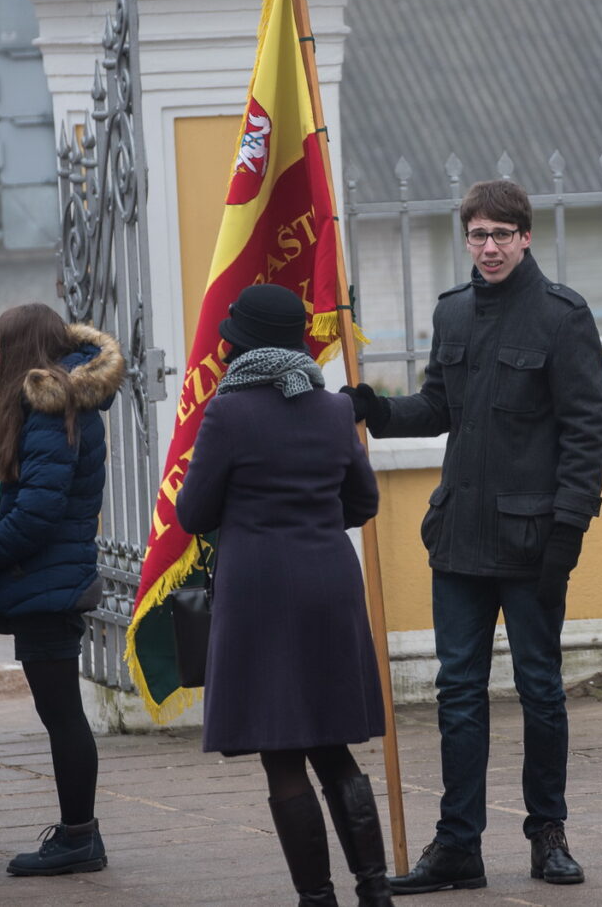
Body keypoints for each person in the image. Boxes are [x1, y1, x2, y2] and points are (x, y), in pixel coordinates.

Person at [343, 179, 602, 892]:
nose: (489, 248)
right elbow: (438, 406)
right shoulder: (453, 313)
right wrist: (374, 409)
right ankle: (458, 845)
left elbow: (587, 433)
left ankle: (547, 834)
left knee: (540, 690)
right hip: (458, 539)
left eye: (502, 234)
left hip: (532, 544)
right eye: (477, 235)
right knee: (456, 693)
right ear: (466, 239)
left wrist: (568, 533)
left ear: (525, 237)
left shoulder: (562, 317)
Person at [175, 283, 389, 907]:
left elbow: (192, 512)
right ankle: (376, 893)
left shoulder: (230, 410)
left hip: (259, 591)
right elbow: (364, 501)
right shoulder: (331, 409)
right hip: (329, 582)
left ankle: (317, 899)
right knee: (332, 743)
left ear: (243, 343)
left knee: (284, 751)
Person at [0, 304, 123, 877]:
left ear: (22, 348)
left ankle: (79, 838)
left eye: (0, 346)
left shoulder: (52, 411)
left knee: (63, 714)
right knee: (58, 712)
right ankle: (77, 834)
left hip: (49, 584)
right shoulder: (51, 405)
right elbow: (16, 501)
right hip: (46, 580)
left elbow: (39, 512)